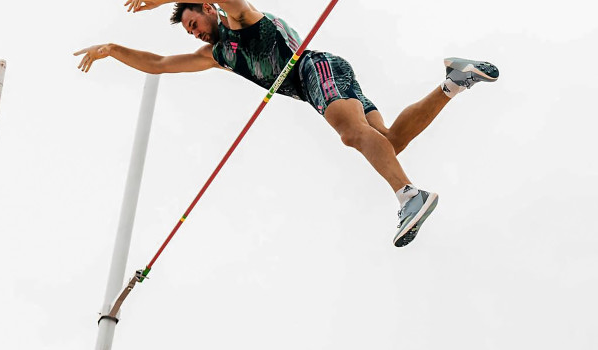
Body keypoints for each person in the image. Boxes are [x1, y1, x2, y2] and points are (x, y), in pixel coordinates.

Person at [74, 0, 499, 247]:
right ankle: (454, 82)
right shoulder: (215, 55)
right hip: (320, 83)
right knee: (388, 141)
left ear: (208, 9)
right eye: (188, 30)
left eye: (194, 23)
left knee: (352, 135)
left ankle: (409, 195)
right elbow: (161, 64)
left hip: (316, 70)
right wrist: (112, 48)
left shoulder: (241, 18)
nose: (194, 33)